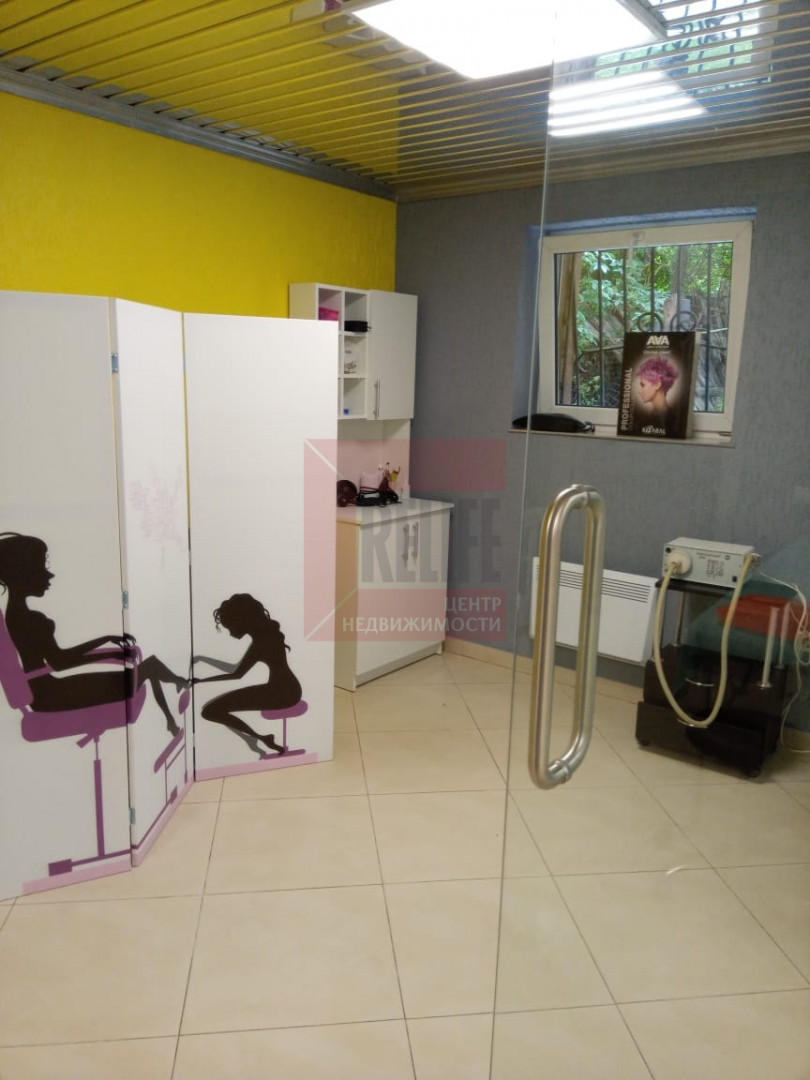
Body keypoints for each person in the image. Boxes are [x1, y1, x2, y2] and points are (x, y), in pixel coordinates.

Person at [0, 532, 188, 736]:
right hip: (53, 695)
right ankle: (180, 689)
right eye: (41, 567)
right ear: (22, 573)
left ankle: (172, 716)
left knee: (144, 670)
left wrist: (107, 644)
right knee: (149, 667)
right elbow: (60, 662)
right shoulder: (29, 619)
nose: (49, 575)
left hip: (45, 693)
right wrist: (110, 652)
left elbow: (57, 660)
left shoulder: (14, 615)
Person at [194, 593, 302, 758]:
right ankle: (259, 739)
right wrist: (203, 663)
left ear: (242, 621)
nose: (230, 632)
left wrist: (201, 680)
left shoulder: (261, 642)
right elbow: (235, 669)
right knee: (213, 710)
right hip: (285, 689)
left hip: (282, 693)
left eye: (230, 626)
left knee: (211, 711)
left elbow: (237, 674)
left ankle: (258, 738)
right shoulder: (266, 637)